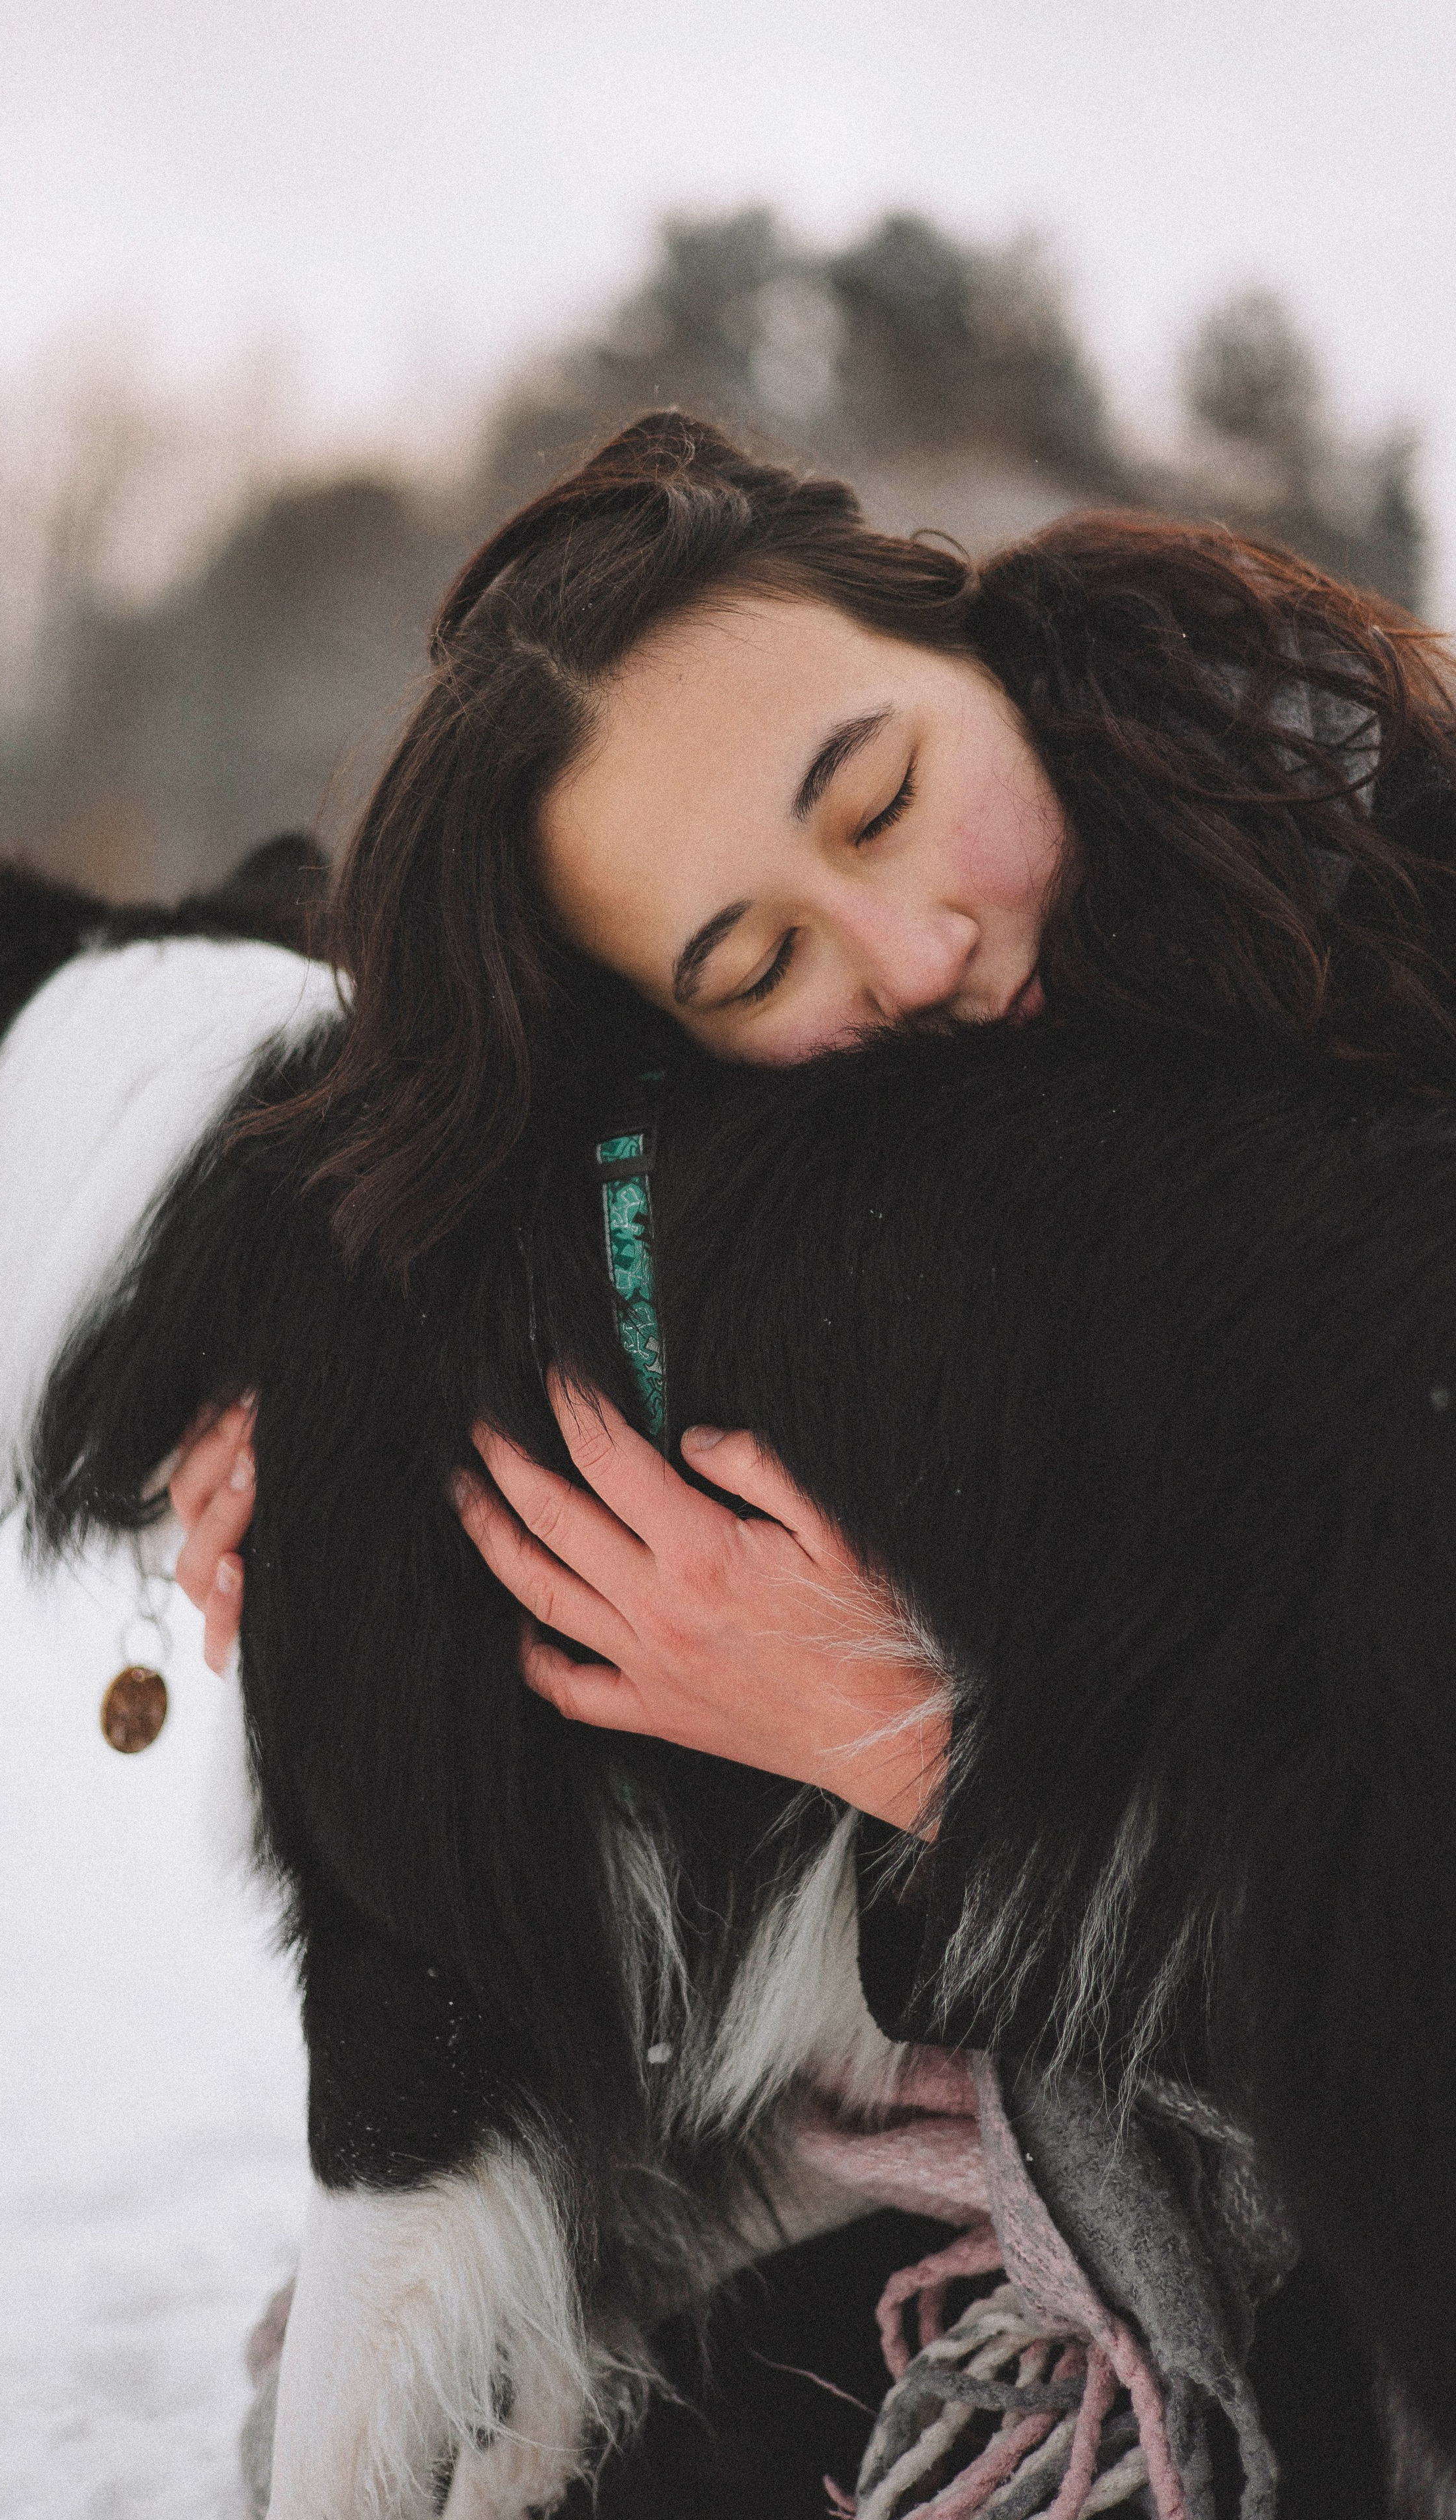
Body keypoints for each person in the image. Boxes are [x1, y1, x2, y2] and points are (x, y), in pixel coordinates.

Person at [171, 412, 1455, 2508]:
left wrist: (930, 1757)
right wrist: (328, 1441)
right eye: (753, 966)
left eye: (881, 797)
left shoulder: (1396, 868)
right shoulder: (872, 1192)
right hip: (1108, 2065)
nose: (912, 957)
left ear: (970, 639)